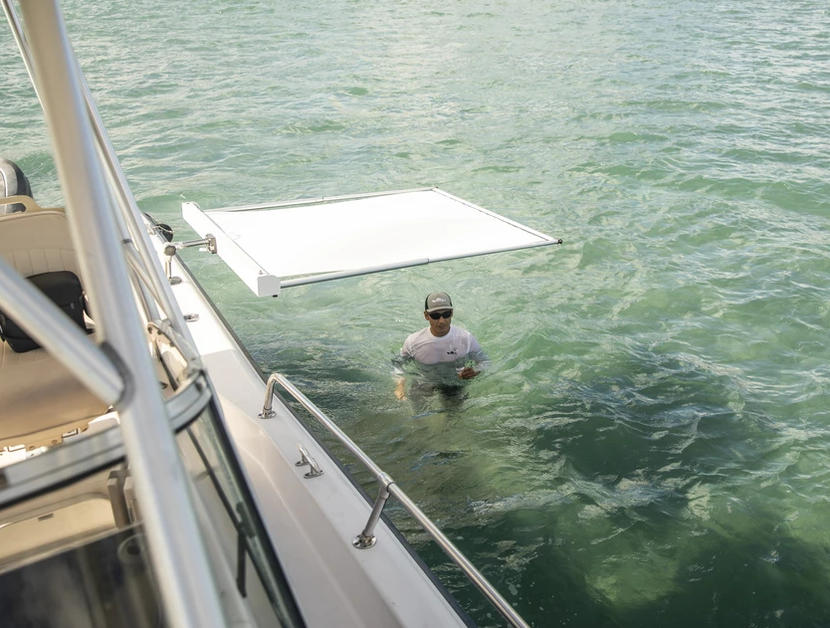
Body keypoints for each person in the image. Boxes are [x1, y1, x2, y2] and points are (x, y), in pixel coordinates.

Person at [393, 292, 489, 401]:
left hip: (454, 382)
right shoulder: (413, 341)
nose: (442, 321)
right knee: (418, 412)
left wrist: (476, 370)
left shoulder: (466, 338)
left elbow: (485, 361)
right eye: (435, 316)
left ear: (452, 313)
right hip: (424, 381)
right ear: (426, 316)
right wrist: (400, 386)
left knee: (454, 414)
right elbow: (397, 363)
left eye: (446, 314)